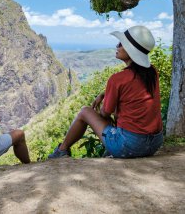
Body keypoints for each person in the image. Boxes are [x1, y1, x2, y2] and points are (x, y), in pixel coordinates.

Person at [48, 26, 163, 159]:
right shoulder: (151, 72)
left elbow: (104, 113)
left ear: (130, 50)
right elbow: (132, 91)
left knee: (85, 111)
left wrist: (105, 102)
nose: (117, 46)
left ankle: (61, 150)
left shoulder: (117, 79)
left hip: (130, 146)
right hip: (155, 143)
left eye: (120, 44)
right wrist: (104, 94)